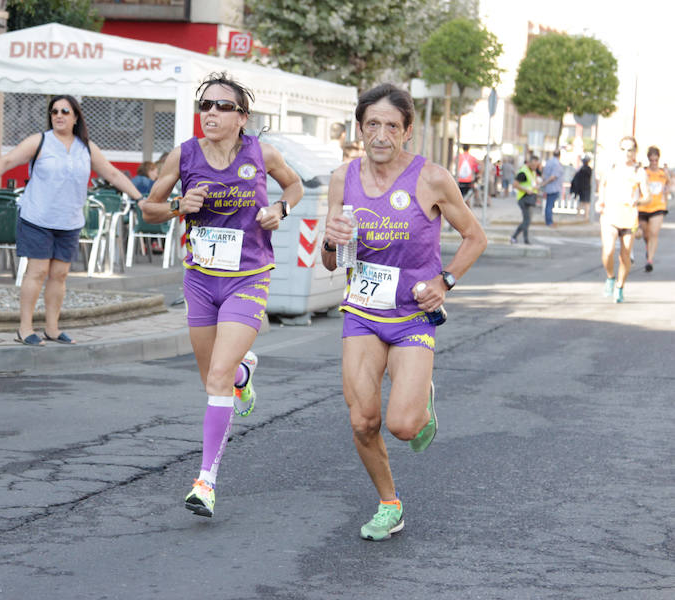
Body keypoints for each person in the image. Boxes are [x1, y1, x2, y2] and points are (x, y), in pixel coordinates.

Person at [321, 83, 486, 541]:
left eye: (391, 126)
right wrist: (330, 241)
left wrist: (445, 281)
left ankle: (422, 399)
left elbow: (476, 236)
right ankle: (389, 503)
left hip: (412, 315)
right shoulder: (342, 178)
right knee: (362, 419)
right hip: (362, 311)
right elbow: (332, 260)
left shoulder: (430, 178)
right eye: (372, 124)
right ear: (360, 129)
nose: (380, 134)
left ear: (407, 132)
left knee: (403, 425)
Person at [138, 72, 302, 518]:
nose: (210, 113)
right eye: (205, 105)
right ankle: (242, 375)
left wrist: (279, 209)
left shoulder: (261, 153)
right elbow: (147, 208)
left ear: (241, 117)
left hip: (249, 276)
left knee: (216, 379)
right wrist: (177, 206)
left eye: (221, 107)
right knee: (214, 375)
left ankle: (205, 480)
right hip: (200, 279)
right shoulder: (184, 155)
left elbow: (295, 186)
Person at [0, 94, 143, 346]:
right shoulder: (40, 141)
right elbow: (7, 160)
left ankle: (52, 329)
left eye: (65, 111)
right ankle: (25, 329)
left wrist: (140, 199)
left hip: (69, 221)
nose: (59, 116)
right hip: (38, 218)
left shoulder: (86, 147)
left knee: (60, 275)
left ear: (75, 117)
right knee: (38, 271)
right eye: (54, 111)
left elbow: (112, 173)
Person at [596, 136, 649, 303]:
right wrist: (600, 201)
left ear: (635, 152)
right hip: (610, 214)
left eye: (630, 149)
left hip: (629, 217)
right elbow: (602, 185)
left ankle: (620, 286)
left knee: (625, 254)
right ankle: (610, 277)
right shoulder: (611, 167)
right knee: (608, 250)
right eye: (624, 149)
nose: (627, 153)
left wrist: (638, 201)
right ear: (619, 150)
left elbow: (647, 196)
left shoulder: (639, 171)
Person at [638, 145, 669, 272]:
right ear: (648, 160)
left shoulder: (663, 174)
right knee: (646, 233)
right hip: (644, 206)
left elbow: (669, 186)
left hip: (658, 207)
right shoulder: (644, 172)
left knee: (653, 233)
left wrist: (666, 194)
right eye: (652, 160)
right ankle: (648, 246)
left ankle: (650, 260)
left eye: (656, 160)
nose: (654, 163)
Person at [510, 155, 541, 245]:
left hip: (530, 199)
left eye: (536, 165)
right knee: (527, 220)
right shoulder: (523, 172)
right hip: (523, 198)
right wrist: (526, 190)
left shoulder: (532, 172)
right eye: (533, 165)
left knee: (527, 220)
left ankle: (523, 239)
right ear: (529, 163)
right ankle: (517, 237)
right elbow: (515, 184)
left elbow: (531, 184)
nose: (535, 167)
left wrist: (535, 187)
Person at [541, 149, 563, 227]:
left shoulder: (548, 162)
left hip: (549, 187)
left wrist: (544, 183)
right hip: (554, 187)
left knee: (548, 205)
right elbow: (553, 177)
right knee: (550, 205)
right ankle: (549, 222)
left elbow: (543, 174)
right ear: (559, 155)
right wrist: (545, 183)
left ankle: (549, 221)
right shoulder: (557, 164)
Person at [570, 156, 593, 222]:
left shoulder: (580, 169)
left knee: (581, 202)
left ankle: (578, 215)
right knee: (586, 203)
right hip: (586, 187)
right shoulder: (589, 169)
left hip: (581, 188)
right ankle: (586, 216)